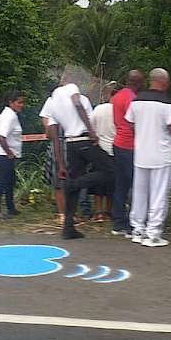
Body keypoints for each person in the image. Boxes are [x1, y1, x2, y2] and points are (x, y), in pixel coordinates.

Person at [49, 74, 113, 240]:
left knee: (74, 187)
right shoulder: (71, 88)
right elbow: (77, 104)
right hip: (84, 139)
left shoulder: (51, 102)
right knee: (111, 170)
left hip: (70, 144)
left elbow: (54, 136)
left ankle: (68, 228)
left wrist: (61, 164)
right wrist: (91, 131)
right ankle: (73, 184)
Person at [124, 68, 171, 248]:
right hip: (161, 154)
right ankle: (153, 234)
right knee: (159, 195)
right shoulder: (166, 103)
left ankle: (137, 230)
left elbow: (130, 122)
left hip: (141, 153)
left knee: (140, 194)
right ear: (164, 82)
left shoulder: (137, 100)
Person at [110, 70, 143, 237]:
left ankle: (117, 222)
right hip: (130, 145)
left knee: (120, 184)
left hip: (118, 143)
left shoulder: (117, 96)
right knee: (134, 185)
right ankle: (132, 223)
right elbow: (133, 123)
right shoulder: (132, 98)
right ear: (137, 83)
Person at [0, 90, 24, 219]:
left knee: (10, 181)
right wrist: (9, 153)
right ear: (11, 103)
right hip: (4, 155)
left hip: (6, 154)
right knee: (2, 181)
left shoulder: (9, 114)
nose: (22, 105)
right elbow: (1, 137)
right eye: (19, 102)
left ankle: (10, 207)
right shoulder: (9, 116)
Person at [89, 85, 117, 222]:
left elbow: (90, 127)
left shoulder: (98, 109)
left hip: (100, 149)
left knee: (98, 182)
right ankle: (109, 210)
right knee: (112, 183)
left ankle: (98, 212)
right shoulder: (120, 110)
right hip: (115, 150)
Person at [39, 87, 66, 222]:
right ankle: (63, 212)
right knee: (60, 178)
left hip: (64, 143)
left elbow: (48, 130)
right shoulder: (51, 103)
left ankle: (63, 212)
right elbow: (47, 126)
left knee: (60, 179)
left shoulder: (60, 104)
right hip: (62, 143)